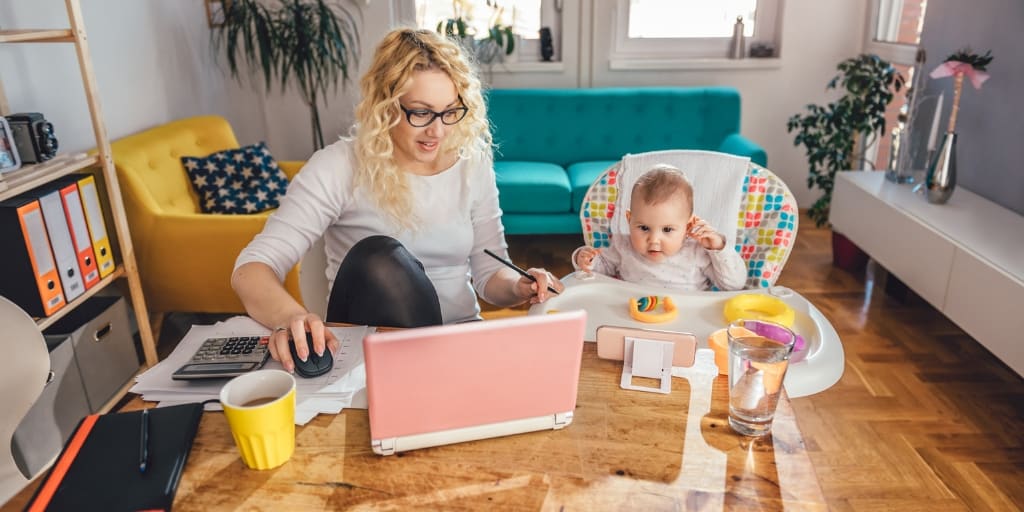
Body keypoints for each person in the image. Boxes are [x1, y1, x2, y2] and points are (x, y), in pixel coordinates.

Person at [231, 28, 563, 373]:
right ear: (385, 105)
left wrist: (520, 285)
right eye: (421, 113)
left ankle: (442, 376)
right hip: (373, 351)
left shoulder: (472, 164)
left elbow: (489, 274)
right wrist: (291, 316)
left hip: (459, 343)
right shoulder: (338, 167)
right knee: (381, 257)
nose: (438, 131)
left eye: (450, 111)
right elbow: (252, 268)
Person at [572, 164, 747, 291]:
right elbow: (598, 270)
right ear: (629, 219)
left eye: (667, 230)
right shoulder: (623, 246)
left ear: (688, 226)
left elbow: (733, 285)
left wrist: (718, 248)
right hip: (632, 317)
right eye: (644, 228)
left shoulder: (697, 253)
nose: (654, 240)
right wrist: (586, 259)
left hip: (684, 322)